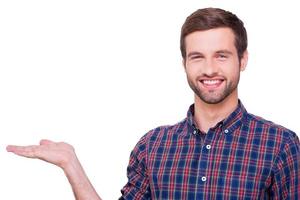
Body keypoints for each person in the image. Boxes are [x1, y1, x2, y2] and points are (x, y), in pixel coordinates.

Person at [6, 7, 300, 199]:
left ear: (243, 60)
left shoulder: (280, 145)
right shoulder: (153, 145)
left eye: (221, 55)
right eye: (197, 57)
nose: (209, 68)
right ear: (184, 63)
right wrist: (72, 166)